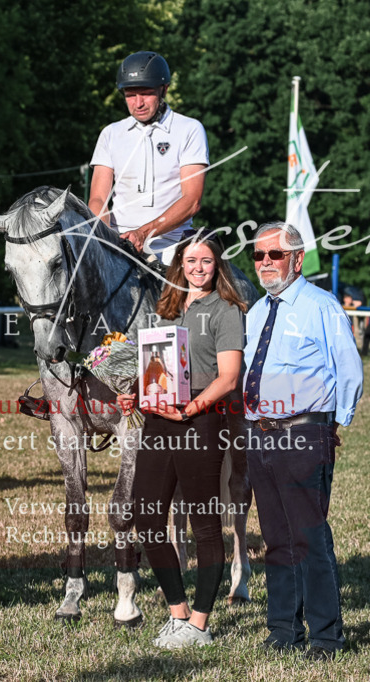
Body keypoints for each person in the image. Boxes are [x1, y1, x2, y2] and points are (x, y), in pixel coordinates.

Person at [117, 230, 247, 649]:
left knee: (204, 523)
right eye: (190, 261)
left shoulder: (226, 310)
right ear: (179, 265)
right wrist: (136, 392)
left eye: (206, 261)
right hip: (158, 421)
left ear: (217, 265)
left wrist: (190, 410)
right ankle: (177, 614)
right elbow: (157, 366)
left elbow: (228, 377)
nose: (197, 268)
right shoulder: (166, 307)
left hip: (201, 422)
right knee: (146, 515)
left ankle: (199, 624)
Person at [243, 222, 363, 661]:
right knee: (276, 537)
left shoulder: (321, 306)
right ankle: (282, 629)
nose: (265, 263)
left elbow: (348, 369)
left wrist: (334, 425)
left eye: (274, 255)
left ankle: (326, 636)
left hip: (303, 432)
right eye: (258, 256)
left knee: (310, 536)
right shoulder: (255, 313)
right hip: (259, 434)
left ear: (296, 258)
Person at [88, 51, 209, 266]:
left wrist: (143, 233)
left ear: (164, 89)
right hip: (119, 243)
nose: (138, 103)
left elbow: (192, 200)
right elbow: (98, 198)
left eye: (146, 93)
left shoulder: (189, 129)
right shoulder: (110, 133)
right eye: (130, 95)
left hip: (172, 244)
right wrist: (103, 239)